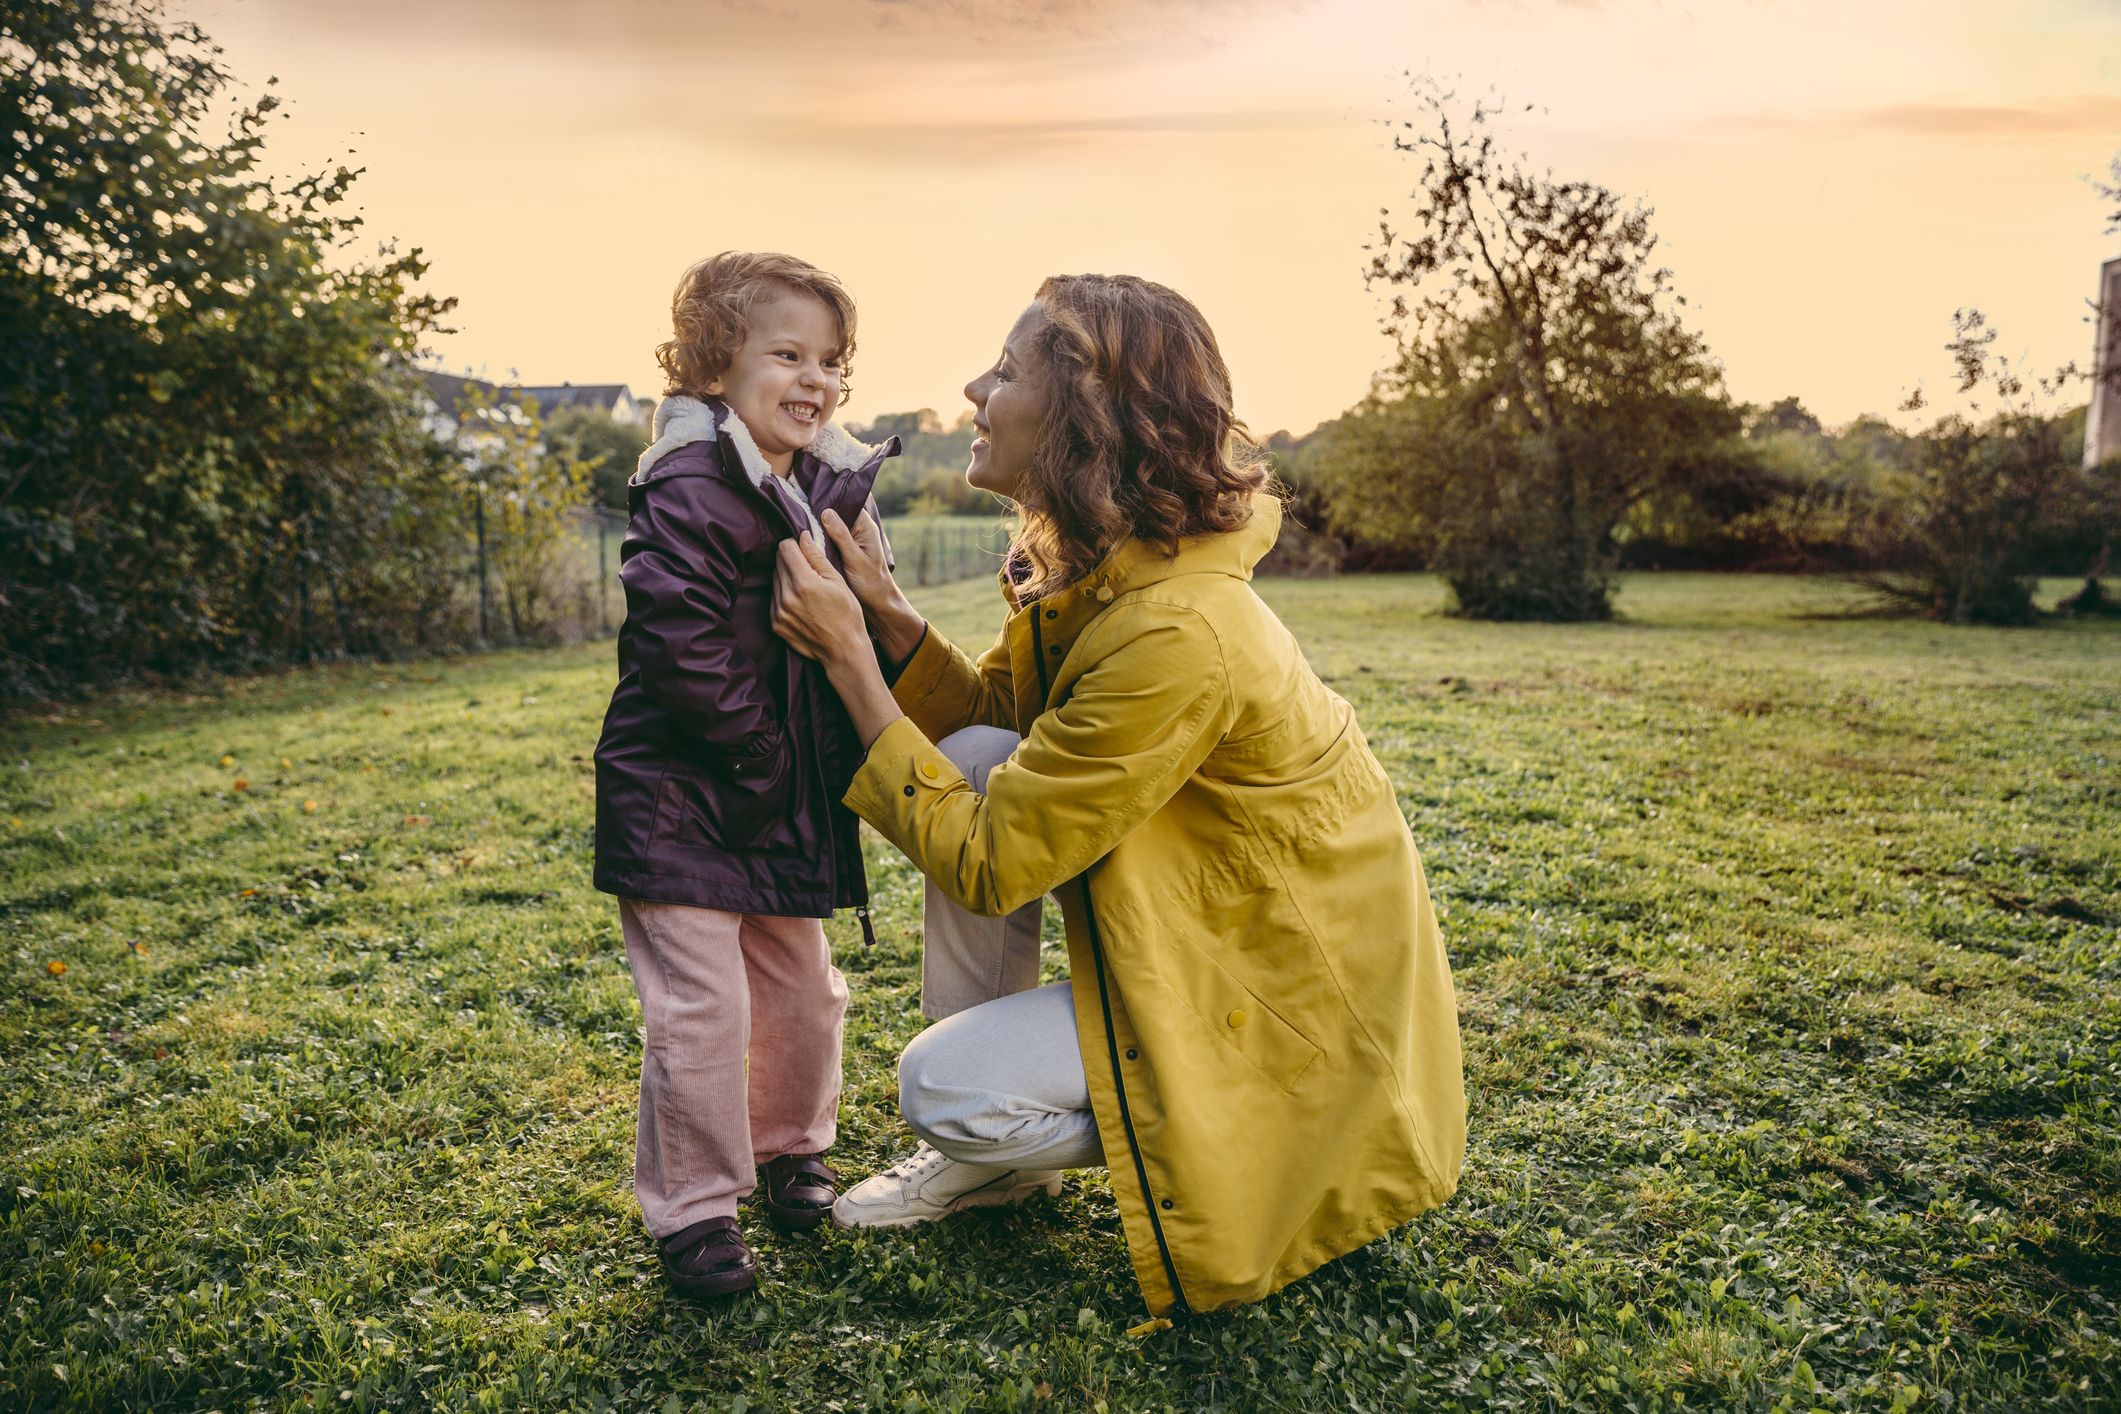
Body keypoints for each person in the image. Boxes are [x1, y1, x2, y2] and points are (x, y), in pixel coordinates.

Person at [770, 273, 1465, 1317]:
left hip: (1294, 1015)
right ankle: (1001, 1161)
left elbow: (992, 860)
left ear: (1083, 424)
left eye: (1004, 374)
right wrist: (887, 615)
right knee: (973, 753)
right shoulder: (1104, 573)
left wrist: (848, 664)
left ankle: (1250, 1125)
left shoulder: (1175, 631)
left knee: (939, 1086)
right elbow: (995, 724)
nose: (971, 389)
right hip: (1204, 948)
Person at [592, 251, 899, 1299]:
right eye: (787, 354)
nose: (815, 379)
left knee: (804, 992)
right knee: (701, 1008)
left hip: (779, 798)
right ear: (717, 365)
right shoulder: (689, 481)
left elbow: (859, 629)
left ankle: (790, 1146)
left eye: (831, 360)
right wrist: (764, 757)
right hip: (686, 796)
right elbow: (678, 638)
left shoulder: (820, 489)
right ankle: (696, 1208)